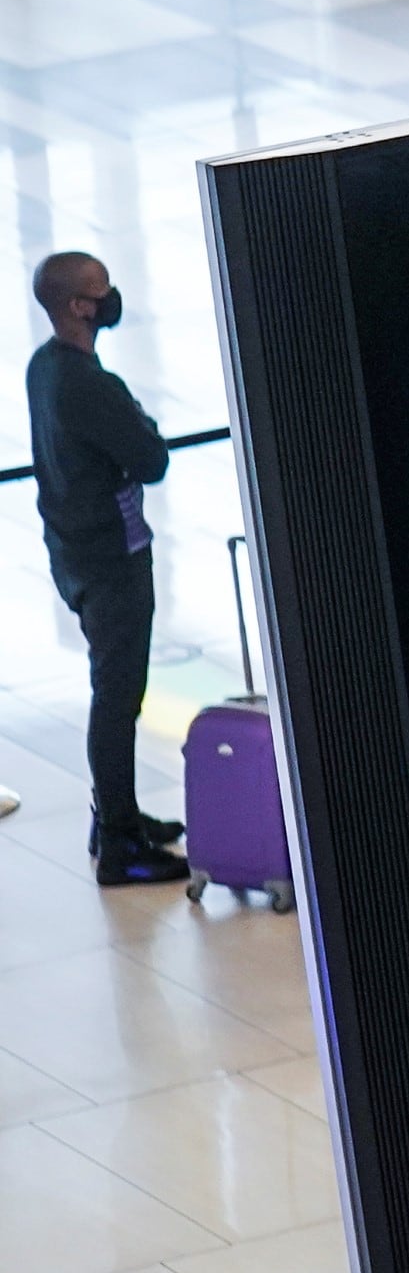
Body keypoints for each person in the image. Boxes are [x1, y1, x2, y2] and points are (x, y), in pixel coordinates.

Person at [27, 253, 183, 887]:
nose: (112, 297)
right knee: (118, 700)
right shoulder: (92, 386)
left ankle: (116, 814)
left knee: (114, 695)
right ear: (78, 307)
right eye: (102, 291)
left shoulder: (46, 368)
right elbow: (150, 457)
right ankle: (120, 844)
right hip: (112, 562)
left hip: (73, 552)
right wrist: (141, 424)